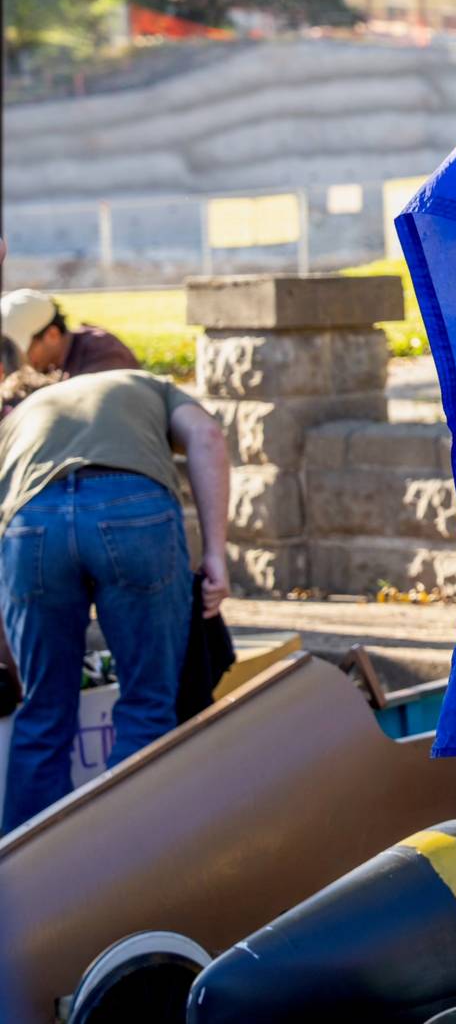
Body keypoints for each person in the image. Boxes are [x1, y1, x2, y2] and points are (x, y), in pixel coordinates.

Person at [0, 357, 231, 832]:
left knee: (42, 712)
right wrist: (215, 555)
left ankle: (26, 886)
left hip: (32, 521)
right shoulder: (147, 384)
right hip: (134, 510)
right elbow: (208, 438)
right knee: (147, 704)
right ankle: (126, 867)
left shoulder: (20, 420)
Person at [0, 289, 141, 379]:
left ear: (52, 335)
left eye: (22, 352)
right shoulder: (48, 366)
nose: (18, 362)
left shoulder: (105, 355)